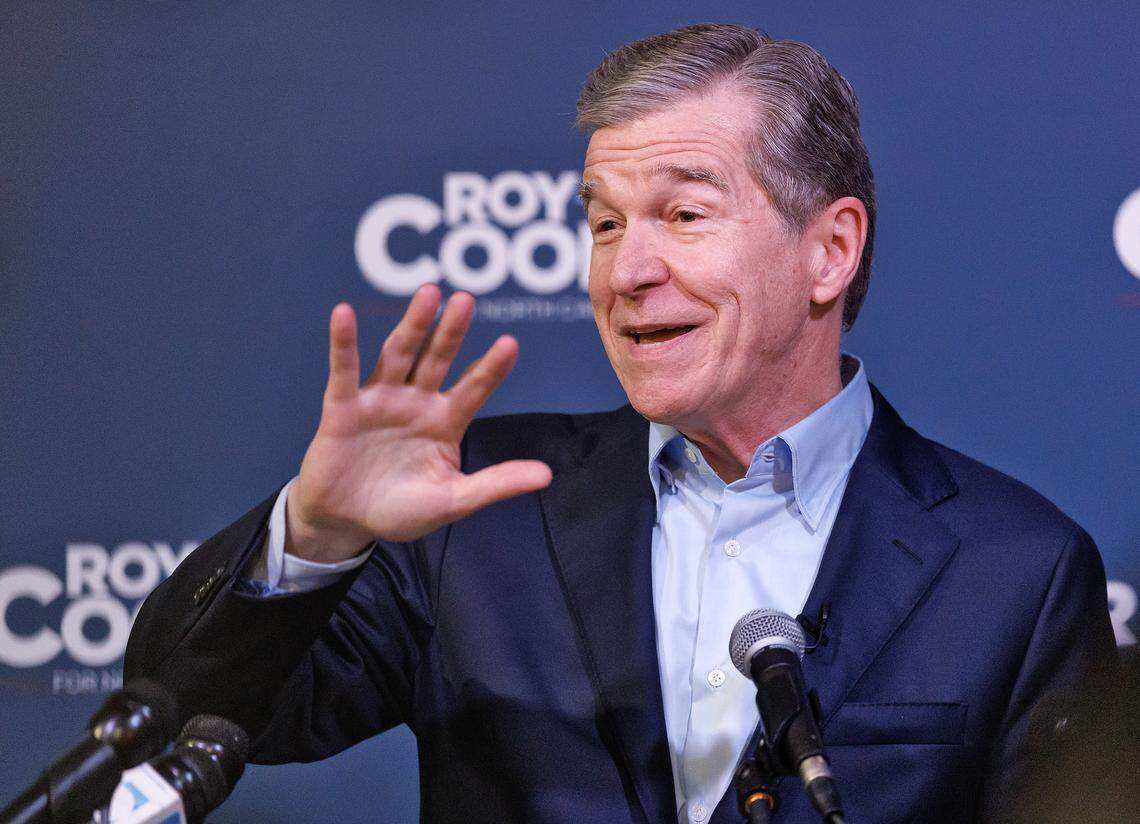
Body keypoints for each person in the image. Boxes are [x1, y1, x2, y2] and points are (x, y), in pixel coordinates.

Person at [124, 23, 1115, 824]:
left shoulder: (1015, 569)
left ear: (829, 250)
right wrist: (319, 532)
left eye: (683, 216)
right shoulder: (472, 508)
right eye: (604, 222)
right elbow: (182, 713)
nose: (624, 271)